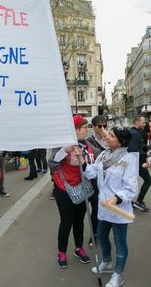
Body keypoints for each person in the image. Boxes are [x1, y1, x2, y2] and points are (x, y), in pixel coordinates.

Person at [84, 126, 138, 287]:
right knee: (101, 235)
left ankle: (118, 273)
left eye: (112, 136)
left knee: (120, 242)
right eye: (109, 135)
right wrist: (82, 162)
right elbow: (92, 172)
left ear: (121, 142)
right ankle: (107, 262)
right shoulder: (104, 155)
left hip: (118, 208)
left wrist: (115, 199)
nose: (106, 137)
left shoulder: (129, 159)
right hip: (103, 206)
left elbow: (131, 188)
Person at [52, 115, 94, 268]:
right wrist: (65, 150)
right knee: (66, 222)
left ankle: (79, 248)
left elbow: (95, 157)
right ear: (75, 130)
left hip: (82, 188)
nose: (87, 130)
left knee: (79, 220)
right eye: (84, 128)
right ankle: (61, 252)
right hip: (64, 189)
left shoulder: (86, 145)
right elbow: (52, 162)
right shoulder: (64, 144)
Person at [86, 115, 108, 248]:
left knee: (99, 207)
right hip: (91, 178)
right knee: (89, 209)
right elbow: (99, 155)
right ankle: (93, 233)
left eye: (105, 125)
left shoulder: (109, 138)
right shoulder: (89, 141)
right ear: (94, 127)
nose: (103, 128)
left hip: (105, 179)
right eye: (100, 126)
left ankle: (98, 233)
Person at [129, 115, 151, 212]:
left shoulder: (134, 132)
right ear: (137, 122)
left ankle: (131, 203)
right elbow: (133, 150)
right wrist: (145, 154)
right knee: (148, 180)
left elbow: (139, 147)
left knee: (130, 183)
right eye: (143, 122)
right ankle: (138, 201)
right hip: (136, 163)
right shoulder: (135, 134)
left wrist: (146, 150)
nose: (144, 124)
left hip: (135, 162)